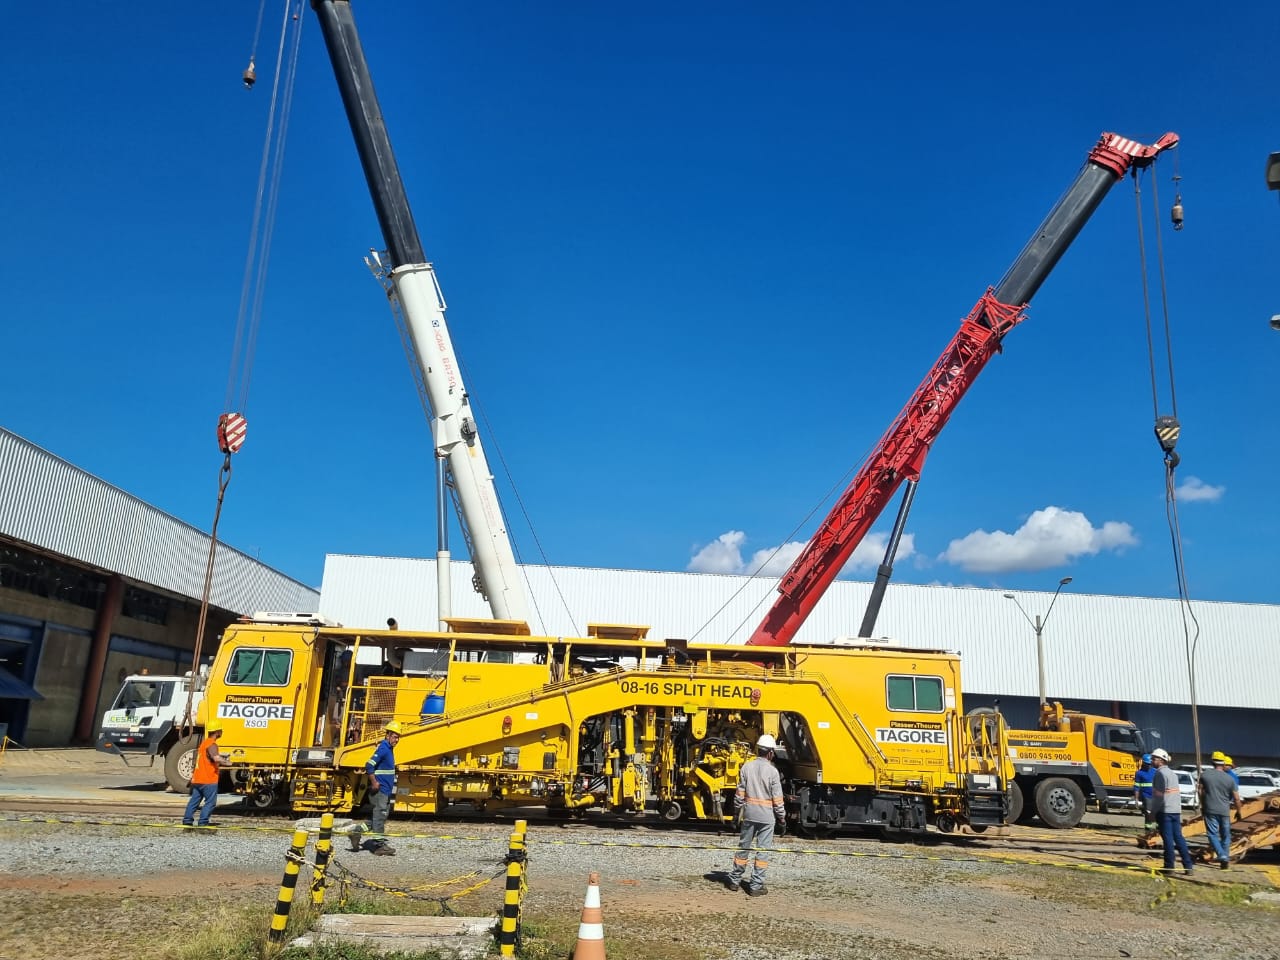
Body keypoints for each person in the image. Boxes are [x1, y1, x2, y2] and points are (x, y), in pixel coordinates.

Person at [726, 733, 787, 897]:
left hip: (749, 814)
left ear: (758, 750)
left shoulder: (746, 767)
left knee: (743, 847)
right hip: (766, 818)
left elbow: (739, 794)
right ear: (770, 753)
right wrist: (782, 818)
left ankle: (734, 880)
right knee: (762, 852)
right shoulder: (773, 772)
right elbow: (778, 800)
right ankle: (755, 886)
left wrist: (736, 813)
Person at [349, 720, 401, 856]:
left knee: (380, 817)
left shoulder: (388, 749)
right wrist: (374, 782)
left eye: (398, 737)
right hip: (381, 790)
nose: (397, 740)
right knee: (380, 816)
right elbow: (369, 765)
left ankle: (356, 832)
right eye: (395, 736)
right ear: (388, 735)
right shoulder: (384, 748)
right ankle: (379, 847)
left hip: (385, 791)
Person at [1149, 748, 1194, 874]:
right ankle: (1188, 866)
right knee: (1179, 838)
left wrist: (1153, 812)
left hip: (1165, 811)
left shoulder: (1159, 774)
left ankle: (1169, 867)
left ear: (1161, 761)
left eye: (1154, 758)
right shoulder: (1172, 773)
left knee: (1168, 839)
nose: (1152, 761)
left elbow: (1159, 796)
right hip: (1175, 810)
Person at [1199, 752, 1244, 869]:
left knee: (1212, 834)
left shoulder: (1205, 775)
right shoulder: (1230, 779)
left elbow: (1200, 792)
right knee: (1226, 835)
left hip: (1210, 809)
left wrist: (1203, 806)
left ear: (1212, 762)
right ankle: (1225, 857)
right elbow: (1237, 798)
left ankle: (1222, 855)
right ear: (1223, 763)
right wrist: (1239, 812)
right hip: (1224, 811)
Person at [182, 722, 230, 829]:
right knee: (210, 802)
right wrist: (228, 762)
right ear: (217, 732)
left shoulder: (204, 743)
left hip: (198, 779)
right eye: (220, 730)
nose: (221, 732)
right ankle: (203, 823)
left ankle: (187, 821)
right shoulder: (212, 744)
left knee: (194, 801)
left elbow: (205, 759)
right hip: (208, 779)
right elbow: (216, 758)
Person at [1133, 754, 1156, 830]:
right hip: (1146, 796)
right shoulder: (1139, 773)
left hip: (1156, 796)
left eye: (1150, 764)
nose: (1149, 766)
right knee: (1148, 812)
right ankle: (1148, 829)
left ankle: (1157, 829)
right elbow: (1136, 787)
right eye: (1147, 764)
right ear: (1143, 763)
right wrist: (1136, 799)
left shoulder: (1155, 772)